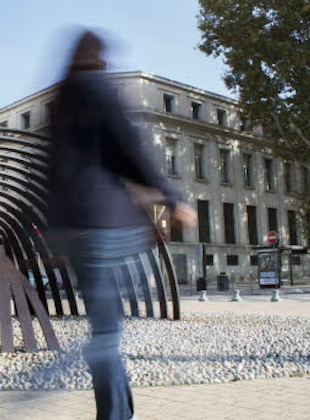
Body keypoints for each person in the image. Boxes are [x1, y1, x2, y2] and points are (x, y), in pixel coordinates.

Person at [46, 30, 197, 420]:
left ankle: (120, 411)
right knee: (108, 335)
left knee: (104, 326)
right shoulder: (98, 89)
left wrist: (55, 232)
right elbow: (129, 149)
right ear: (100, 61)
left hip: (74, 230)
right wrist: (170, 196)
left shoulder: (58, 101)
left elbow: (50, 171)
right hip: (105, 227)